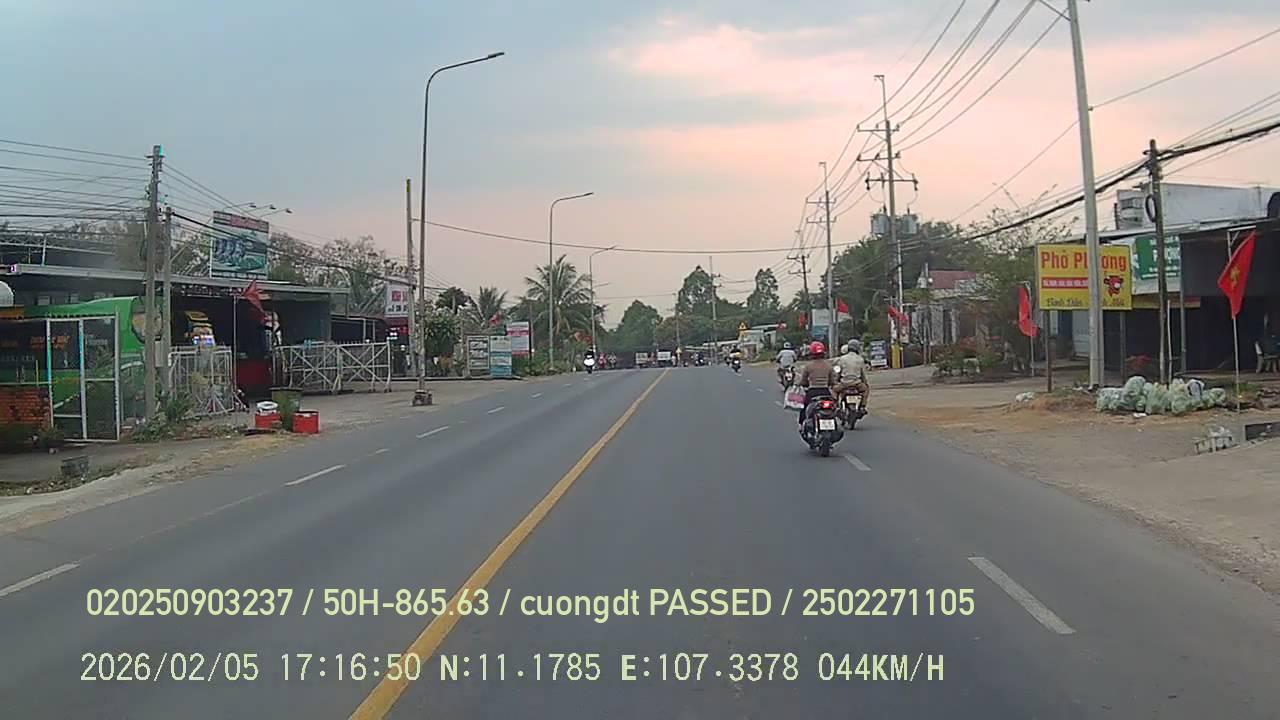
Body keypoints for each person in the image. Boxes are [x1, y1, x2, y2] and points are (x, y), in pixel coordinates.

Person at [796, 340, 837, 428]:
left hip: (813, 392)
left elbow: (803, 381)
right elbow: (832, 382)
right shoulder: (828, 366)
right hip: (825, 392)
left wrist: (801, 384)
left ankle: (801, 424)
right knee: (833, 407)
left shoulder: (808, 366)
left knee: (804, 407)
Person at [833, 340, 870, 412]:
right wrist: (865, 383)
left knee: (834, 390)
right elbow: (863, 375)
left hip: (844, 384)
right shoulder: (860, 359)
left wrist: (835, 381)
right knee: (866, 390)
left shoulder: (842, 359)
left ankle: (836, 405)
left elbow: (838, 372)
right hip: (857, 384)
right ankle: (862, 406)